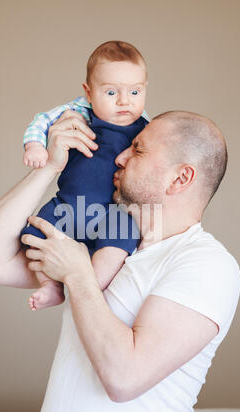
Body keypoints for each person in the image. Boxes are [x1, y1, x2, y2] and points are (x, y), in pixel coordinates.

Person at [0, 109, 240, 412]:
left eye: (138, 149)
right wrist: (50, 167)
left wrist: (78, 276)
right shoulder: (103, 242)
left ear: (181, 178)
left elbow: (125, 378)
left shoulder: (206, 264)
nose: (119, 156)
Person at [20, 40, 149, 311]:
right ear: (88, 92)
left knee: (122, 235)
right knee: (31, 236)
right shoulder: (79, 112)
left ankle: (92, 285)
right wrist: (34, 145)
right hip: (66, 204)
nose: (125, 101)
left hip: (114, 211)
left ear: (145, 89)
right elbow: (42, 120)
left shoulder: (147, 127)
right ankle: (52, 287)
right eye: (111, 92)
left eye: (135, 91)